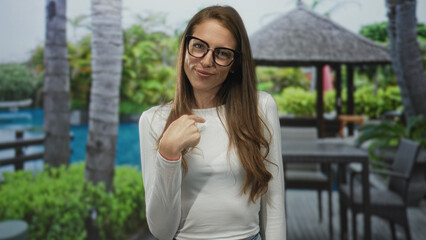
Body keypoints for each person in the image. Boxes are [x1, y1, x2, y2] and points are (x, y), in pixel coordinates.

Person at [139, 5, 286, 240]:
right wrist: (168, 155)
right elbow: (162, 231)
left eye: (222, 53)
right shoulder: (153, 120)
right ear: (185, 47)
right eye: (199, 46)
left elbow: (274, 203)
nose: (207, 61)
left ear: (235, 63)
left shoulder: (261, 107)